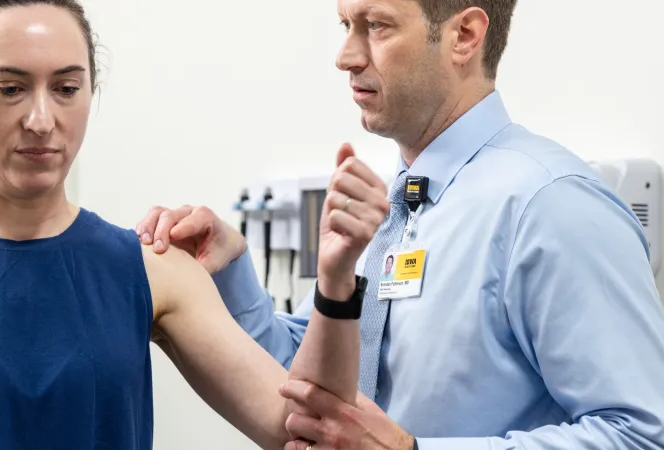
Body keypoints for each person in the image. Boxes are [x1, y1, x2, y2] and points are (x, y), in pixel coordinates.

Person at [0, 1, 394, 449]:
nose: (42, 120)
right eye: (10, 89)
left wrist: (337, 278)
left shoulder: (152, 268)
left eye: (67, 88)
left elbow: (306, 429)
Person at [136, 0, 664, 448]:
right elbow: (316, 386)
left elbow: (643, 433)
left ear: (464, 35)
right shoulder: (402, 201)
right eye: (347, 26)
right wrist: (232, 270)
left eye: (377, 26)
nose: (345, 57)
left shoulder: (552, 206)